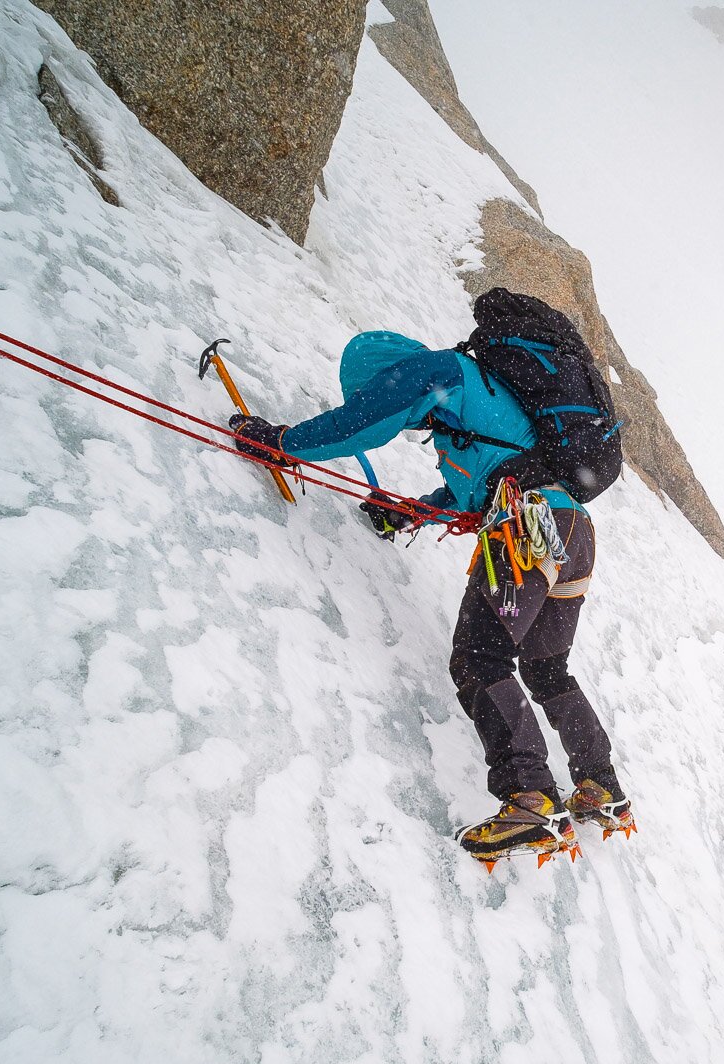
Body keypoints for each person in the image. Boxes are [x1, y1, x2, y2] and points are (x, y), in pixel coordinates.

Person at [229, 330, 633, 864]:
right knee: (545, 669)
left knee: (480, 658)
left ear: (379, 374)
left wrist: (278, 441)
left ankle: (531, 798)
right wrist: (408, 512)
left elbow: (358, 424)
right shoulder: (478, 406)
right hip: (569, 531)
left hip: (527, 525)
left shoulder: (439, 372)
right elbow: (468, 496)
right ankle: (601, 785)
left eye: (370, 389)